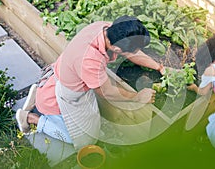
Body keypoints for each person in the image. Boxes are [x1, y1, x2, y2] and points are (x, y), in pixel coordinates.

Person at [16, 15, 165, 150]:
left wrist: (158, 67)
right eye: (131, 51)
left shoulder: (106, 29)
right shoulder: (89, 59)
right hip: (67, 93)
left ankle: (39, 92)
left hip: (64, 75)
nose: (134, 53)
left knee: (91, 123)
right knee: (85, 141)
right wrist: (137, 97)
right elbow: (107, 92)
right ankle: (30, 117)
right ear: (117, 48)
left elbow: (132, 51)